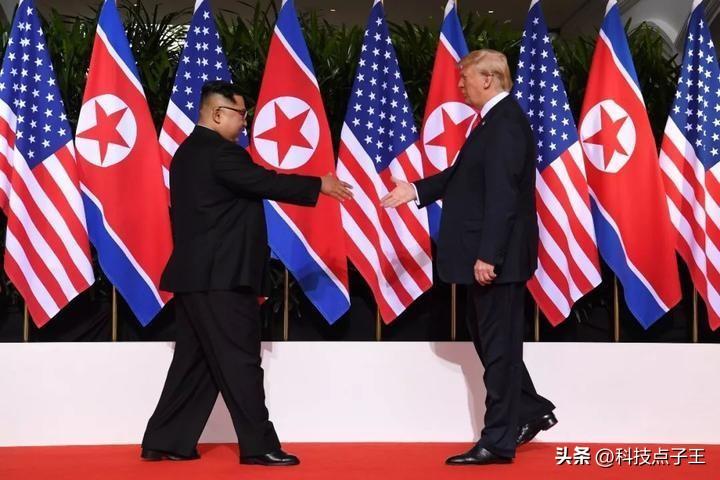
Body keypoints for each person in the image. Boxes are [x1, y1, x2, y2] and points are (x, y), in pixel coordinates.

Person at [141, 81, 352, 466]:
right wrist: (318, 184)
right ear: (217, 113)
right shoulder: (221, 153)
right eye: (240, 115)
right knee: (241, 362)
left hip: (196, 278)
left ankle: (165, 440)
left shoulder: (187, 152)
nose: (244, 123)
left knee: (195, 363)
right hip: (221, 279)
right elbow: (264, 181)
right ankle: (258, 446)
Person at [381, 49, 557, 465]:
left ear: (488, 79)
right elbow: (464, 176)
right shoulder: (493, 122)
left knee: (499, 351)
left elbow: (503, 197)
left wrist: (488, 255)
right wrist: (416, 190)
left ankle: (497, 442)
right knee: (493, 344)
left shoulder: (505, 124)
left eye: (465, 78)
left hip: (498, 261)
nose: (460, 86)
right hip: (493, 258)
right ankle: (530, 410)